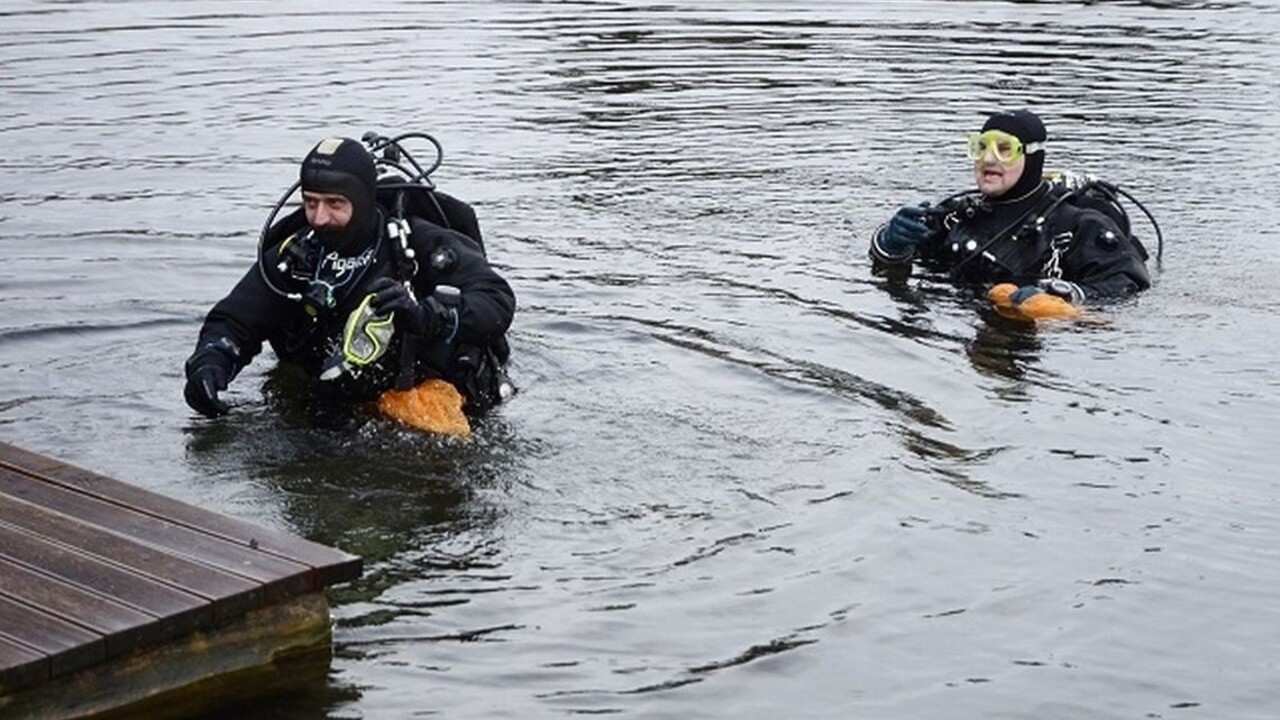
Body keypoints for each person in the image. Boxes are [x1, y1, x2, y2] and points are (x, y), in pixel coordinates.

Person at [183, 134, 515, 421]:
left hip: (422, 393)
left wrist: (427, 315)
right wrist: (211, 362)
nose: (320, 217)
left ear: (363, 199)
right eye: (311, 203)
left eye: (335, 204)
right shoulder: (296, 254)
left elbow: (496, 298)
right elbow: (235, 320)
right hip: (331, 401)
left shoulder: (416, 245)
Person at [869, 109, 1152, 311]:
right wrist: (890, 244)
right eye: (980, 147)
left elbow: (1128, 286)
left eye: (1005, 149)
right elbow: (888, 267)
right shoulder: (957, 216)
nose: (988, 158)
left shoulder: (1074, 226)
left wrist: (1063, 298)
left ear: (1031, 157)